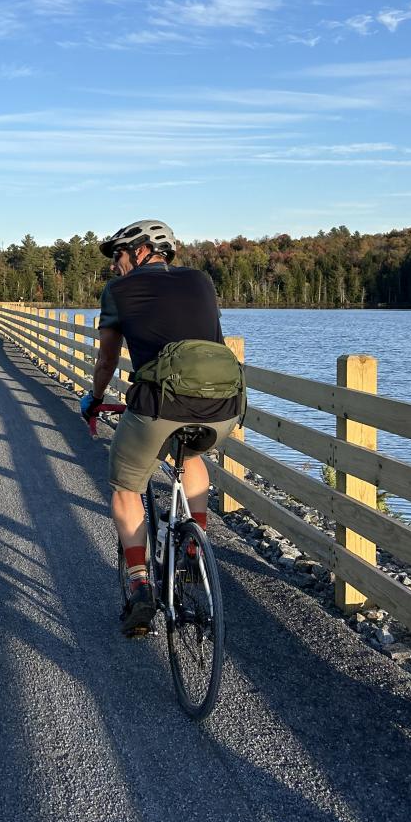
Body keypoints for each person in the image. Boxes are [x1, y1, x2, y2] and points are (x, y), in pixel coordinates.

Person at [79, 219, 242, 636]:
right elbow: (214, 340)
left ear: (141, 250)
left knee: (126, 487)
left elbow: (107, 361)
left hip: (159, 404)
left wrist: (95, 399)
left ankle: (139, 584)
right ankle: (193, 545)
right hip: (225, 405)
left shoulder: (117, 292)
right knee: (191, 457)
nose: (114, 265)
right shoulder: (202, 281)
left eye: (117, 255)